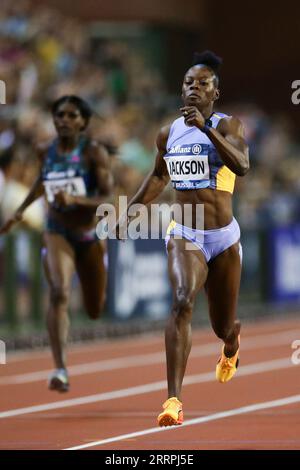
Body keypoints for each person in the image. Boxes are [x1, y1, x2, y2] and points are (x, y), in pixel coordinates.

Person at [117, 51, 249, 426]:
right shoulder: (168, 132)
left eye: (202, 83)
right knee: (181, 301)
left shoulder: (229, 126)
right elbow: (159, 177)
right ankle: (173, 399)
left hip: (223, 237)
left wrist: (206, 128)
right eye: (189, 83)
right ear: (182, 89)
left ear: (215, 92)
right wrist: (131, 211)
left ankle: (231, 342)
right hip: (185, 229)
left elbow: (242, 166)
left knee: (222, 324)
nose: (194, 88)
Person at [0, 95, 112, 392]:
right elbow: (42, 181)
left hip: (88, 233)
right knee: (59, 291)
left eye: (71, 115)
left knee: (94, 308)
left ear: (83, 122)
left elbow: (107, 197)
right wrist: (21, 210)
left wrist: (76, 199)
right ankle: (60, 367)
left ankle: (96, 279)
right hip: (56, 230)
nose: (63, 120)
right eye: (59, 115)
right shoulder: (44, 150)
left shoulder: (93, 153)